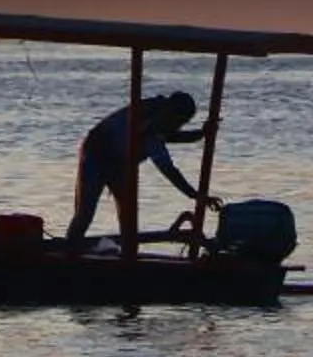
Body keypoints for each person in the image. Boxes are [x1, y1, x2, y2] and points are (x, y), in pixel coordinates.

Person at [66, 91, 210, 244]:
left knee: (128, 215)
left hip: (120, 162)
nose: (179, 126)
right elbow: (168, 170)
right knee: (85, 213)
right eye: (180, 122)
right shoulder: (153, 126)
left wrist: (199, 135)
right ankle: (70, 248)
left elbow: (168, 136)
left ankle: (126, 253)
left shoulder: (159, 118)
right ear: (172, 113)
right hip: (95, 154)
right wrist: (193, 194)